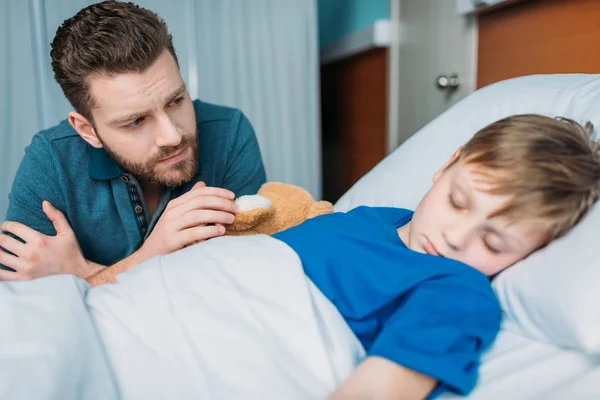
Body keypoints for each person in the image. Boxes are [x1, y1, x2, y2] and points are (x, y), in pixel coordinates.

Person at [274, 115, 600, 399]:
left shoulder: (457, 291)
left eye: (494, 244)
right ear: (447, 165)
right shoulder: (373, 217)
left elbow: (375, 391)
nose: (455, 238)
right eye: (457, 202)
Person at [0, 1, 266, 280]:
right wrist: (153, 256)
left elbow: (244, 284)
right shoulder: (50, 162)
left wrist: (84, 274)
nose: (172, 136)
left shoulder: (229, 132)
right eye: (135, 122)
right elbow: (20, 307)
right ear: (87, 130)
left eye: (176, 101)